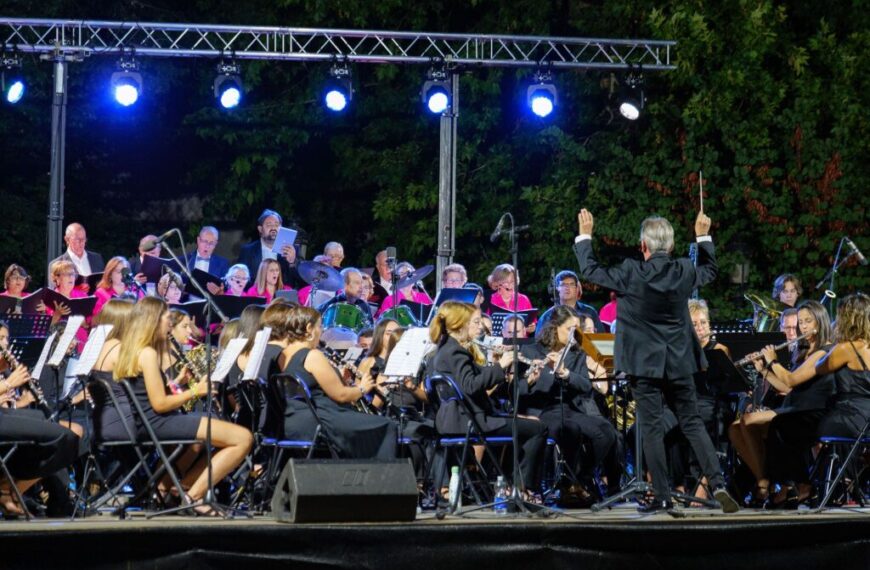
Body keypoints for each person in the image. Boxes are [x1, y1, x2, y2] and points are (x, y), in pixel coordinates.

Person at [574, 208, 738, 513]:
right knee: (691, 423)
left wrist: (586, 236)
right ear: (672, 246)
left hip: (644, 365)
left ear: (643, 246)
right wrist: (703, 236)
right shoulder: (684, 270)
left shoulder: (631, 272)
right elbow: (711, 271)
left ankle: (662, 495)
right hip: (679, 363)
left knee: (650, 427)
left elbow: (592, 272)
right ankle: (718, 484)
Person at [107, 297, 252, 513]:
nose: (169, 322)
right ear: (153, 320)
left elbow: (149, 394)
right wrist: (196, 391)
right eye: (166, 317)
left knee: (213, 435)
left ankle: (177, 489)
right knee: (243, 438)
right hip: (157, 423)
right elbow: (160, 404)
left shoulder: (135, 350)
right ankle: (193, 496)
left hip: (148, 421)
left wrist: (178, 384)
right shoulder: (147, 354)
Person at [425, 301, 547, 499]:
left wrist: (507, 370)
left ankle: (513, 486)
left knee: (523, 426)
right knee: (537, 429)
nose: (480, 326)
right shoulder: (456, 352)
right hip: (471, 421)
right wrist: (501, 365)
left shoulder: (443, 350)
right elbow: (471, 385)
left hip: (453, 420)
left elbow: (479, 376)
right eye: (475, 322)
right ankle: (522, 489)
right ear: (460, 324)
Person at [520, 305, 622, 499]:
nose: (574, 334)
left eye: (577, 329)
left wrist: (565, 373)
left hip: (570, 407)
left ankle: (576, 478)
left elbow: (585, 385)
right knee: (570, 429)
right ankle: (569, 483)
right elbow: (523, 390)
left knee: (606, 431)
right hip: (543, 410)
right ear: (554, 327)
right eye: (570, 329)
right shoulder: (532, 350)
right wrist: (538, 375)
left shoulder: (576, 353)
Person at [277, 305, 397, 459]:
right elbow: (340, 395)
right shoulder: (312, 355)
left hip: (294, 418)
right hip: (320, 420)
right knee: (387, 426)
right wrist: (362, 388)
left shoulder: (283, 355)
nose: (321, 332)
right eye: (320, 327)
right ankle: (378, 480)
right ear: (309, 329)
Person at [755, 301, 835, 507]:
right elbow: (787, 386)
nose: (804, 326)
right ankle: (784, 485)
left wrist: (773, 361)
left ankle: (797, 485)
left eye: (808, 321)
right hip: (800, 409)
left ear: (820, 321)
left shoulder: (823, 352)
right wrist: (763, 370)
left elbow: (791, 380)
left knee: (781, 425)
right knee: (777, 425)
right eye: (801, 322)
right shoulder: (804, 351)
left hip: (817, 413)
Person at [815, 293, 870, 439]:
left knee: (814, 431)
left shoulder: (847, 348)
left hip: (851, 415)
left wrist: (831, 340)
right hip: (866, 415)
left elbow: (819, 368)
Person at [237, 209, 302, 289]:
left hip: (282, 298)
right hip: (256, 296)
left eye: (276, 225)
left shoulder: (291, 250)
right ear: (260, 229)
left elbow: (302, 280)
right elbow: (241, 278)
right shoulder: (248, 251)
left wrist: (293, 262)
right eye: (269, 225)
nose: (273, 228)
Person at [536, 270, 604, 337]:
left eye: (571, 284)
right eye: (563, 284)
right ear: (557, 289)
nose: (567, 288)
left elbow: (601, 337)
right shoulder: (548, 316)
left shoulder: (590, 312)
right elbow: (539, 343)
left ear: (577, 288)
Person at [486, 264, 536, 335]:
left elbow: (533, 326)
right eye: (505, 282)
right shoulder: (491, 299)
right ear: (497, 283)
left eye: (512, 281)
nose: (510, 285)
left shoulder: (524, 299)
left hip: (521, 343)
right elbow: (487, 327)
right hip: (499, 343)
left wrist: (531, 328)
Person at [186, 226, 230, 294]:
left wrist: (220, 291)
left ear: (216, 244)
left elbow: (226, 289)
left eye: (211, 243)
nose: (207, 246)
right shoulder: (186, 260)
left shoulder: (222, 263)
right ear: (198, 240)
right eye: (205, 241)